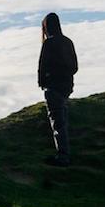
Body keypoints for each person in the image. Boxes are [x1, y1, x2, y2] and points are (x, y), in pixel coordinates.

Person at [38, 12, 78, 167]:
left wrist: (43, 82)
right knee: (62, 119)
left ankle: (63, 156)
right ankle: (64, 153)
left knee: (57, 122)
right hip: (66, 86)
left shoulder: (49, 43)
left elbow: (42, 65)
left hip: (53, 87)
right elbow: (75, 67)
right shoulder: (68, 41)